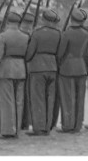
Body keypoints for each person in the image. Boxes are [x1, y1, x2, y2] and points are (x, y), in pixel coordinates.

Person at [24, 8, 61, 136]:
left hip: (38, 67)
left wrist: (27, 60)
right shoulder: (58, 33)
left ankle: (39, 128)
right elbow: (60, 52)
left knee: (37, 98)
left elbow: (30, 52)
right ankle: (47, 126)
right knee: (50, 98)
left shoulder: (37, 33)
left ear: (43, 19)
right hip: (52, 67)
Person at [0, 10, 28, 139]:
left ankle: (8, 130)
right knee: (19, 100)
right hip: (21, 68)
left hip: (7, 67)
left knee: (7, 100)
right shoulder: (25, 36)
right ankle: (17, 129)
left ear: (8, 22)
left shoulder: (3, 36)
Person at [56, 8, 88, 132]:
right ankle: (78, 124)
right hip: (81, 66)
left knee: (68, 98)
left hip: (67, 67)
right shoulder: (86, 33)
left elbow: (60, 52)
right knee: (80, 98)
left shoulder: (66, 34)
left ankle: (68, 124)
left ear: (71, 19)